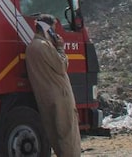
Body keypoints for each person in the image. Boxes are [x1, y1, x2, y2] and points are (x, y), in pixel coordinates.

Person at [25, 14, 81, 156]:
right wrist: (60, 48)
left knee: (55, 136)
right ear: (48, 29)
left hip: (46, 98)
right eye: (54, 29)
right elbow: (62, 66)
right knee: (68, 135)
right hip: (60, 97)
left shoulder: (31, 47)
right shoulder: (44, 46)